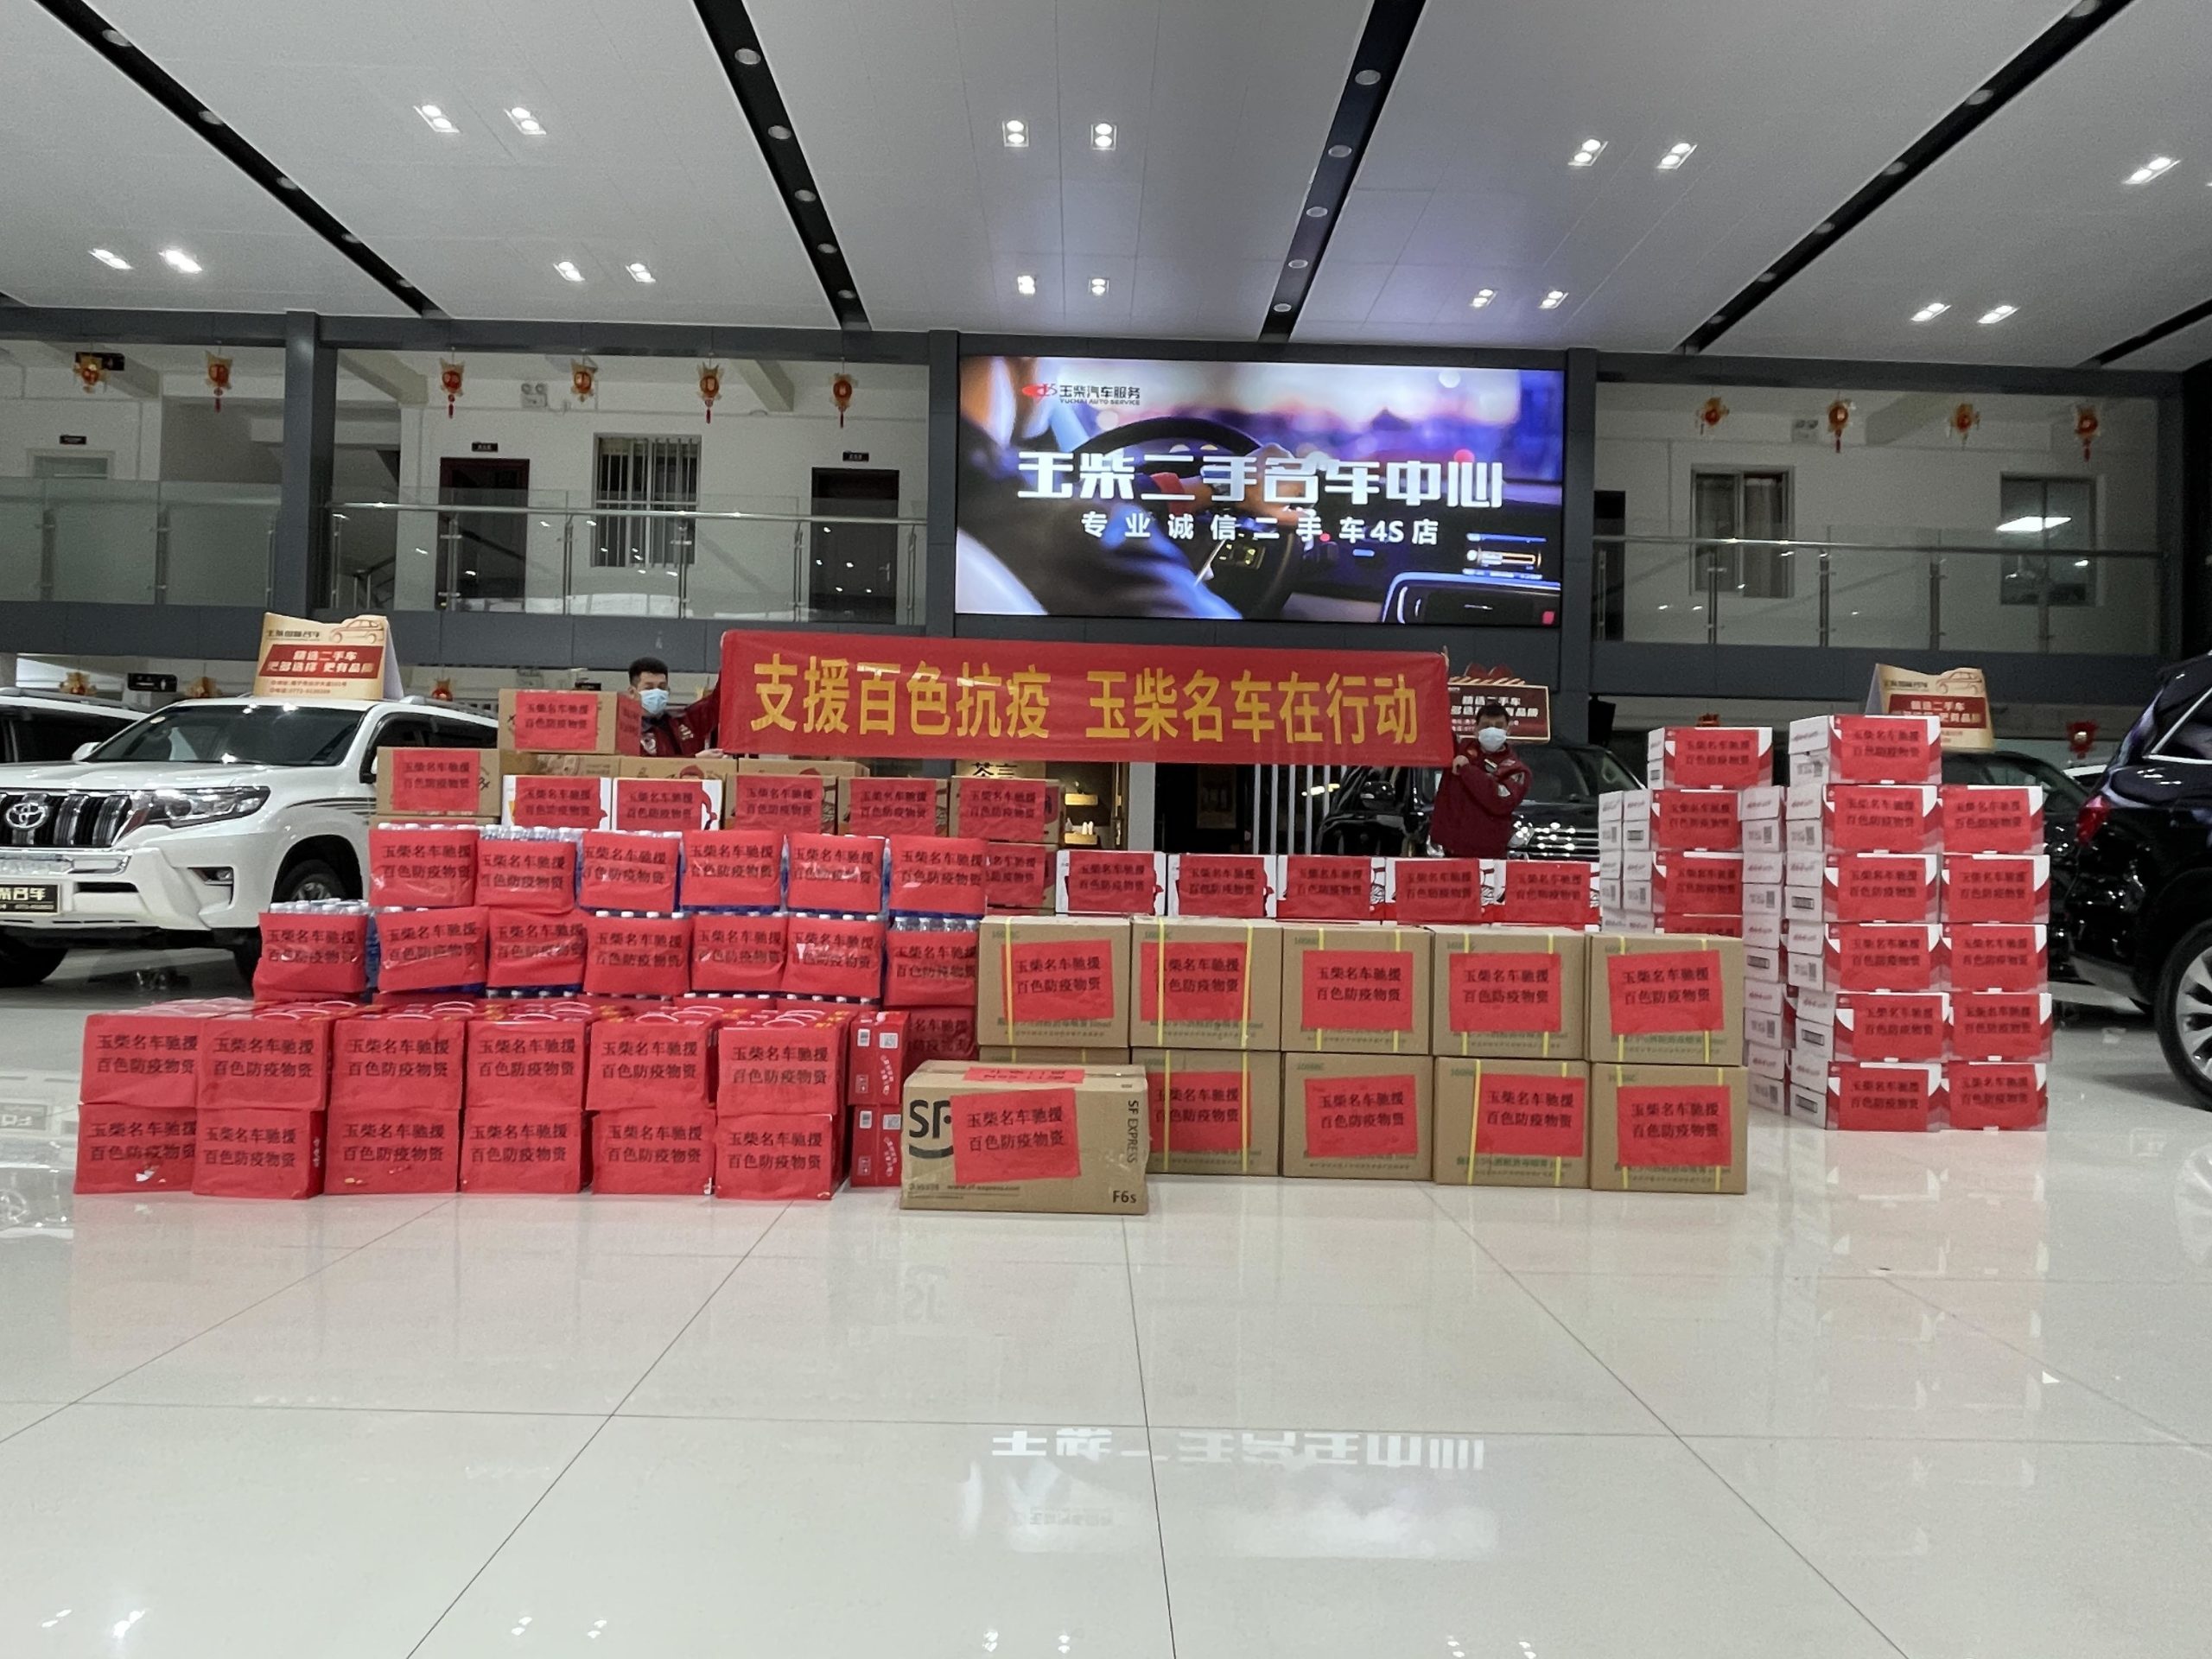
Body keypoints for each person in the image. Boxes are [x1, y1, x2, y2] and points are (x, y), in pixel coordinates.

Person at [1428, 700, 1532, 859]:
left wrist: (1467, 770)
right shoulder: (1459, 749)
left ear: (1508, 730)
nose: (1492, 730)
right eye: (1486, 726)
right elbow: (1434, 728)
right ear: (1476, 729)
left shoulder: (1517, 769)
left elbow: (1500, 801)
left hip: (1489, 856)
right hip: (1447, 852)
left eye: (1498, 726)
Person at [628, 657, 703, 758]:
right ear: (632, 692)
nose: (656, 692)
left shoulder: (680, 721)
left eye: (661, 687)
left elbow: (715, 701)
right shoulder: (626, 730)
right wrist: (696, 758)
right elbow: (643, 765)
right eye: (649, 688)